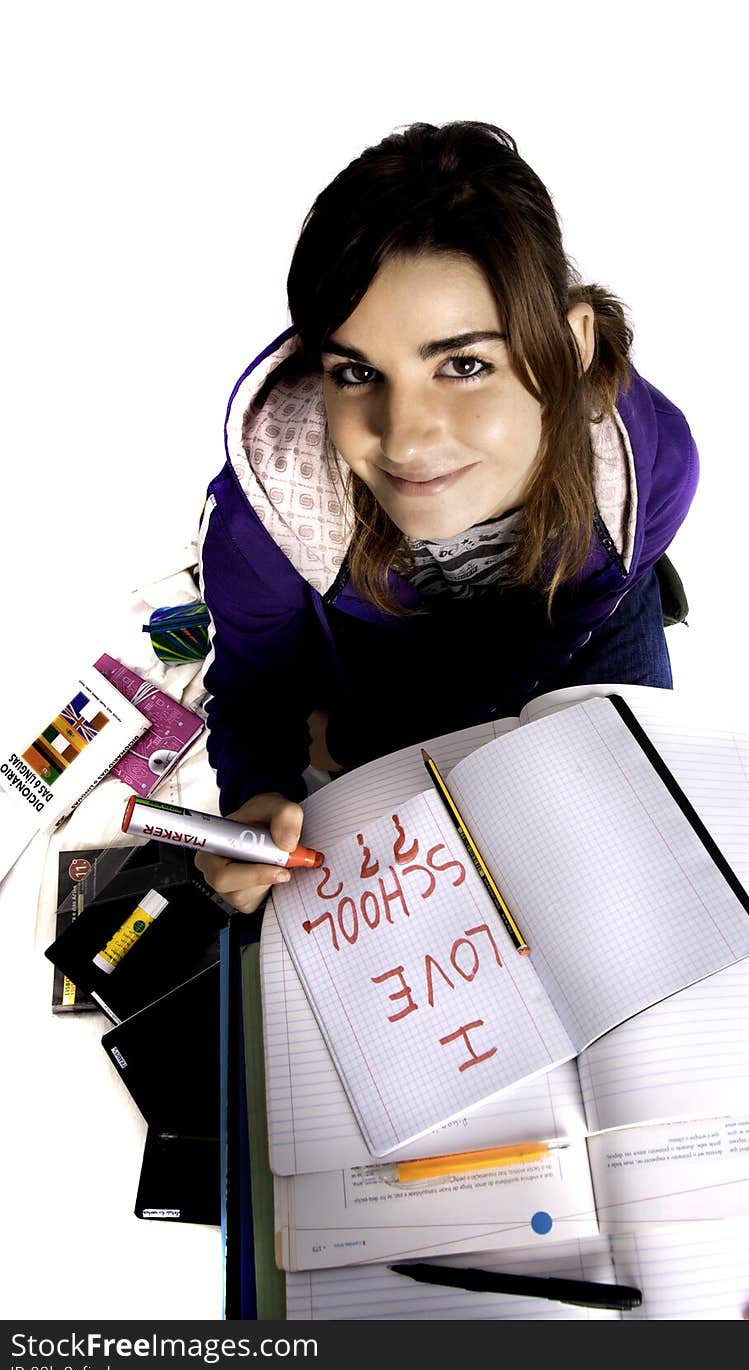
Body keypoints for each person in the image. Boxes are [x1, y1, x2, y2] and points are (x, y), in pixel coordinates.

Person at [195, 120, 699, 913]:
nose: (406, 436)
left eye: (464, 365)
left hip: (580, 619)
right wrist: (254, 793)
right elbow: (253, 692)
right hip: (379, 654)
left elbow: (553, 645)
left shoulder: (649, 463)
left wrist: (357, 740)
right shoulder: (258, 525)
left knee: (639, 852)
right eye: (357, 371)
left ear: (568, 347)